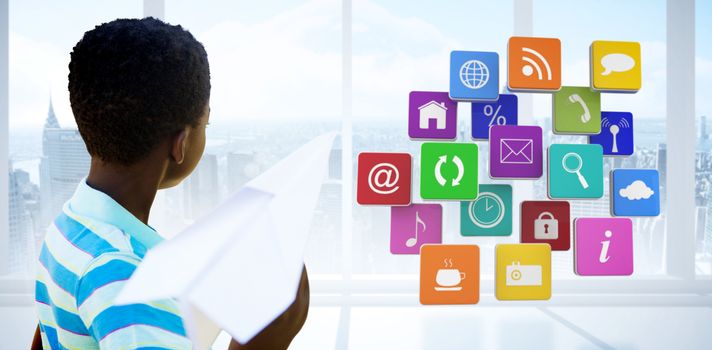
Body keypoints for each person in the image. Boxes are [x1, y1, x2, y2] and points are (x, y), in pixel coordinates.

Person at [33, 17, 309, 349]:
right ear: (180, 144)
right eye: (206, 122)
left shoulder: (68, 228)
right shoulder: (131, 285)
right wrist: (267, 338)